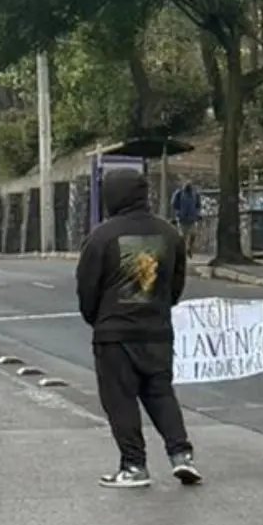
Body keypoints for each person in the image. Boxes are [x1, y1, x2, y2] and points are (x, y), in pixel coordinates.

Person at [75, 169, 200, 488]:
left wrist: (98, 319)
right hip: (157, 329)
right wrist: (158, 308)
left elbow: (87, 288)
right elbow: (176, 283)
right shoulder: (170, 234)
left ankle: (133, 465)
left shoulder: (101, 236)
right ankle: (181, 455)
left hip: (114, 334)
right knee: (160, 392)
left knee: (120, 399)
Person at [170, 181, 200, 258]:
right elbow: (174, 205)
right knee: (182, 237)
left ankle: (189, 248)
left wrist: (197, 214)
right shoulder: (179, 194)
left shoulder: (195, 195)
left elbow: (198, 205)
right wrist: (176, 215)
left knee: (193, 234)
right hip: (182, 219)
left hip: (191, 219)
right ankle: (182, 251)